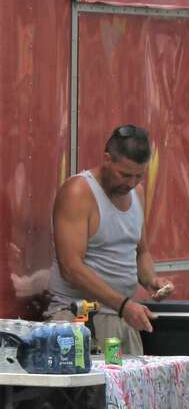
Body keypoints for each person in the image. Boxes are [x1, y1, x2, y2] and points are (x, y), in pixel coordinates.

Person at [46, 124, 173, 354]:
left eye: (139, 175)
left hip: (121, 319)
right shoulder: (78, 192)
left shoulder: (137, 193)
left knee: (126, 389)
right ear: (107, 159)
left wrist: (151, 280)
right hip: (81, 320)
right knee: (92, 390)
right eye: (125, 174)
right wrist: (123, 305)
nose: (132, 183)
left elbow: (140, 251)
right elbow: (70, 268)